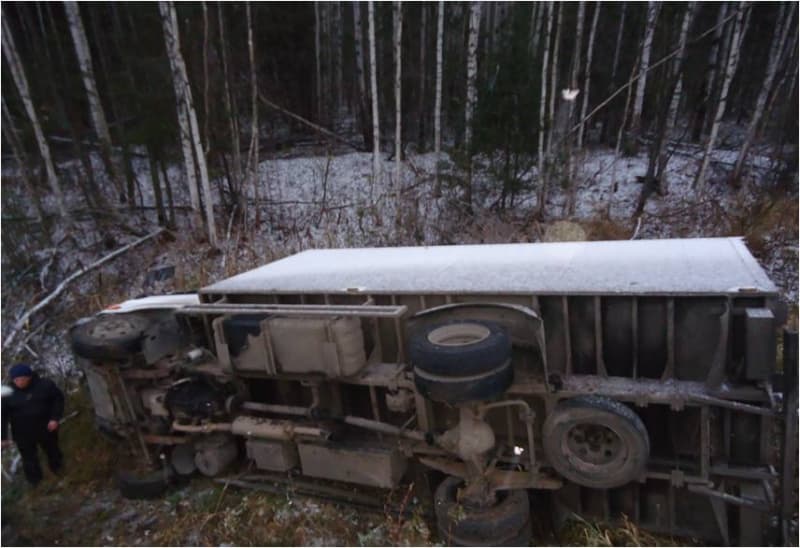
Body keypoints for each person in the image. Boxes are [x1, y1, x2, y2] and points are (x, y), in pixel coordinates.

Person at [1, 363, 65, 486]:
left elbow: (58, 400)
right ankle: (36, 483)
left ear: (29, 377)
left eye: (22, 379)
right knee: (29, 459)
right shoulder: (8, 394)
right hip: (22, 432)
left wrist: (55, 418)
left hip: (46, 427)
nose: (19, 382)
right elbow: (2, 416)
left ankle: (60, 473)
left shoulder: (45, 385)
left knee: (53, 452)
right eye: (16, 380)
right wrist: (2, 437)